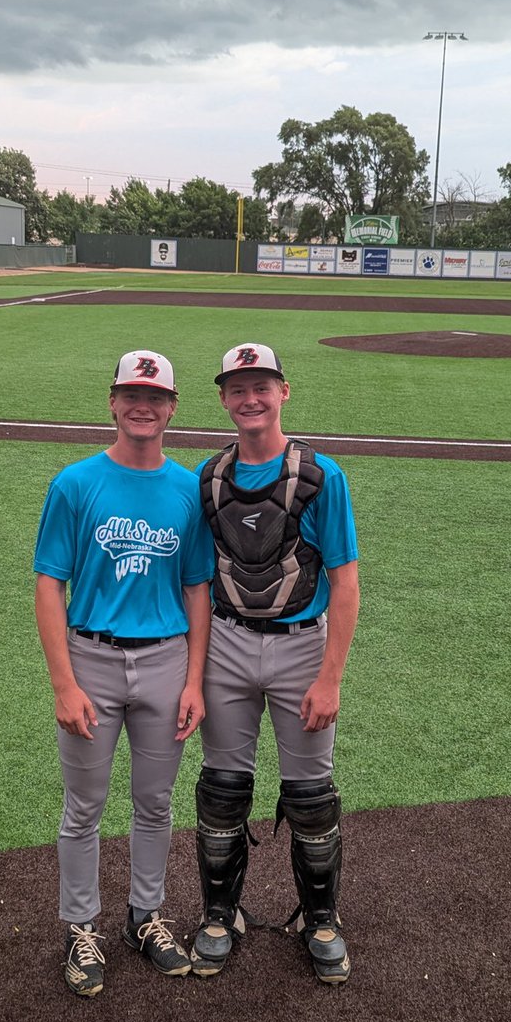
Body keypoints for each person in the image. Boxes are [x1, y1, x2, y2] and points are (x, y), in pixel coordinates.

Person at [34, 350, 213, 998]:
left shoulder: (188, 488)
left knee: (155, 802)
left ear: (170, 408)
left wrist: (194, 680)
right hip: (92, 660)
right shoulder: (75, 484)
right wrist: (63, 682)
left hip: (166, 661)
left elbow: (197, 588)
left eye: (155, 396)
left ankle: (145, 916)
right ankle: (81, 926)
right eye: (130, 393)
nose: (143, 405)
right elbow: (50, 585)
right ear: (111, 402)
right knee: (82, 807)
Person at [191, 344, 360, 985]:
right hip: (229, 645)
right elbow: (202, 582)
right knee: (222, 789)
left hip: (299, 648)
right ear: (224, 398)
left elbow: (345, 582)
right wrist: (194, 672)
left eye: (261, 386)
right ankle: (219, 914)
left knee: (312, 796)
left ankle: (320, 920)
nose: (250, 398)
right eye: (238, 388)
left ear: (283, 392)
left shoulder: (320, 477)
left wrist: (330, 676)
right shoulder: (209, 479)